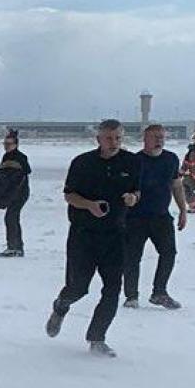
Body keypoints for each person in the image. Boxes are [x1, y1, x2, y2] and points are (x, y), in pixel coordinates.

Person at [45, 119, 140, 357]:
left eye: (118, 138)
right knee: (78, 287)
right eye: (108, 138)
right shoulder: (82, 163)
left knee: (112, 289)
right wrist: (89, 205)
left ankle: (97, 338)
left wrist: (133, 198)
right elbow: (69, 195)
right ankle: (61, 305)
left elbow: (136, 191)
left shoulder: (131, 162)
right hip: (83, 235)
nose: (114, 142)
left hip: (116, 234)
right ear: (98, 139)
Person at [123, 124, 187, 310]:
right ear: (145, 139)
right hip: (136, 218)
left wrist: (182, 210)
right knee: (132, 257)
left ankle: (159, 292)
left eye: (161, 137)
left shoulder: (171, 159)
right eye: (154, 137)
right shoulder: (135, 161)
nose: (159, 140)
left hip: (161, 217)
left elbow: (176, 185)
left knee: (169, 253)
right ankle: (131, 296)